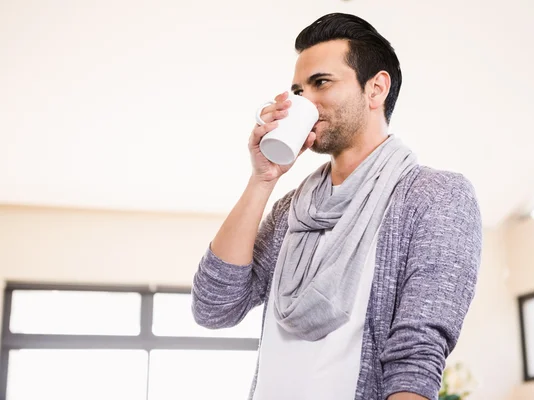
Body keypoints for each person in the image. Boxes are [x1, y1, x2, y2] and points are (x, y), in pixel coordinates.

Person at [192, 12, 482, 400]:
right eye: (298, 92)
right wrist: (263, 178)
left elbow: (416, 355)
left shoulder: (435, 196)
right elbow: (214, 308)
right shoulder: (290, 210)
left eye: (321, 83)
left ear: (376, 89)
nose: (304, 102)